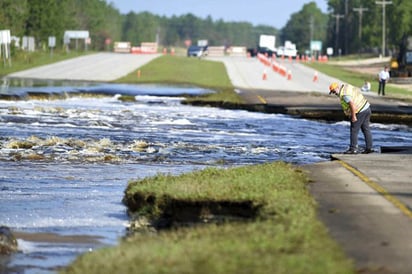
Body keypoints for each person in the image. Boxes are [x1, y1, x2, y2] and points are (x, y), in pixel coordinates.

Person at [329, 82, 374, 154]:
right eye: (332, 92)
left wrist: (353, 116)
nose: (334, 93)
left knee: (354, 130)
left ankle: (353, 149)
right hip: (366, 108)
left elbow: (352, 104)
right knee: (366, 129)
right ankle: (369, 148)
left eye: (334, 91)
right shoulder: (346, 87)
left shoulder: (344, 95)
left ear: (337, 88)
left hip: (359, 110)